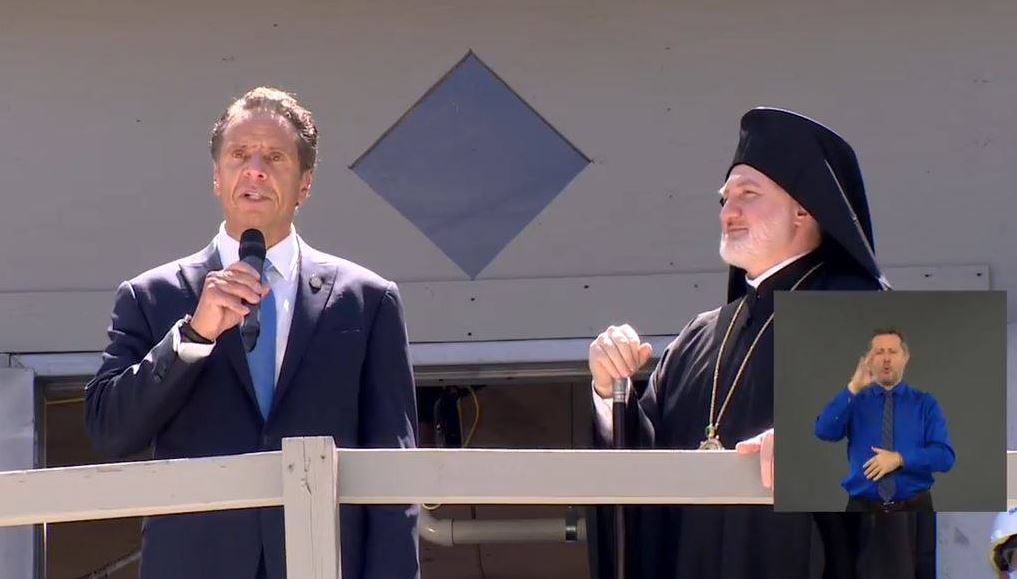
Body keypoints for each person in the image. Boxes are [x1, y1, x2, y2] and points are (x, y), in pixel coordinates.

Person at [84, 87, 419, 579]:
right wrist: (194, 337)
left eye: (274, 157)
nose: (255, 170)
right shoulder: (151, 296)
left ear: (305, 184)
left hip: (322, 561)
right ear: (217, 178)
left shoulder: (367, 300)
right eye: (239, 155)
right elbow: (109, 432)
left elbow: (393, 473)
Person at [586, 108, 933, 579]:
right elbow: (644, 474)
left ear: (805, 209)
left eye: (748, 195)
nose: (728, 212)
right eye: (724, 198)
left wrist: (816, 449)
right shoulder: (698, 338)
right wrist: (611, 393)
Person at [815, 328, 955, 512]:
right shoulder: (854, 401)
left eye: (893, 352)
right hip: (862, 508)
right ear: (869, 359)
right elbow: (824, 431)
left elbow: (944, 457)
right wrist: (853, 387)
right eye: (879, 352)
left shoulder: (925, 404)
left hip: (915, 509)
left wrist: (900, 459)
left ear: (905, 357)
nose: (886, 359)